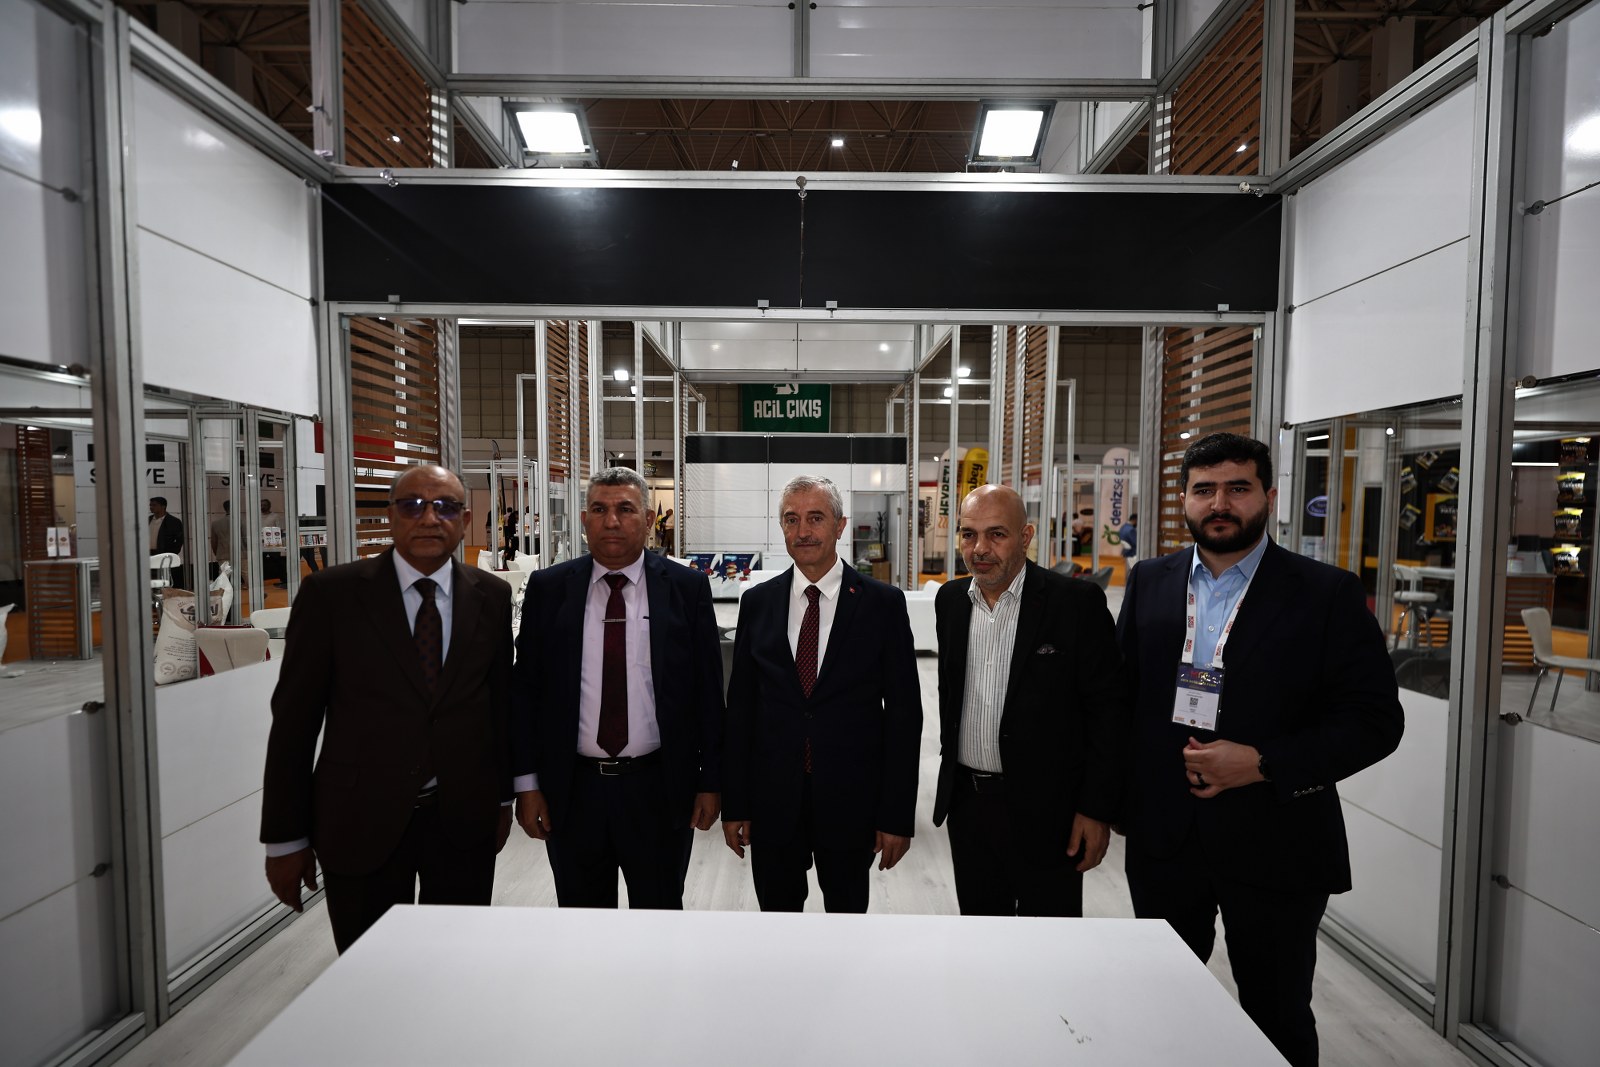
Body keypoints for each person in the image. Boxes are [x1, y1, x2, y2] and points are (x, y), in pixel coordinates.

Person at [1116, 433, 1404, 1067]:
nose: (1220, 503)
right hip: (1166, 837)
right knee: (1161, 1005)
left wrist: (1264, 762)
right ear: (1184, 499)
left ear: (1269, 496)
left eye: (1238, 488)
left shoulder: (1325, 593)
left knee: (1276, 1014)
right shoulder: (1151, 581)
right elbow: (1124, 699)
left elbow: (1376, 721)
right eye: (1204, 490)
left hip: (1277, 839)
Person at [260, 464, 515, 953]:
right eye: (413, 505)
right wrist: (286, 838)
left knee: (455, 965)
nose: (429, 518)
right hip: (359, 819)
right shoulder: (332, 595)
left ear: (464, 521)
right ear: (391, 516)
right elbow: (294, 722)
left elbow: (499, 706)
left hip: (462, 820)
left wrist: (503, 800)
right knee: (368, 970)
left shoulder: (491, 596)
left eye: (445, 507)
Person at [511, 467, 723, 909]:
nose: (611, 521)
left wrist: (711, 782)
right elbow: (526, 693)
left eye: (625, 509)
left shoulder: (686, 589)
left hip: (659, 789)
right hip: (573, 791)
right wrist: (527, 784)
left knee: (660, 918)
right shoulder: (549, 590)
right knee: (583, 923)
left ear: (647, 519)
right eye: (599, 510)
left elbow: (707, 693)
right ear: (584, 519)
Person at [722, 475, 922, 913]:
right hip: (773, 802)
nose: (803, 531)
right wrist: (735, 803)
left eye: (815, 518)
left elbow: (904, 716)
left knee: (847, 924)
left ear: (840, 525)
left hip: (851, 802)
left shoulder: (882, 604)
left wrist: (895, 815)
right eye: (791, 519)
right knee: (777, 923)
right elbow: (740, 712)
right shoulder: (757, 603)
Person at [930, 484, 1124, 916]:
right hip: (969, 807)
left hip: (1049, 812)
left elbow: (1107, 714)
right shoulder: (951, 602)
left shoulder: (1075, 604)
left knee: (1049, 942)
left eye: (996, 534)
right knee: (981, 936)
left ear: (1026, 536)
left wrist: (1095, 809)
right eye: (968, 534)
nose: (980, 548)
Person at [149, 495, 185, 589]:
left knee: (165, 579)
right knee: (150, 579)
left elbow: (180, 540)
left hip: (164, 554)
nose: (151, 507)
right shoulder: (148, 520)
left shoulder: (173, 521)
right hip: (149, 554)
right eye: (150, 505)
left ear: (163, 506)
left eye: (154, 505)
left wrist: (172, 552)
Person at [208, 500, 233, 581]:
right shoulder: (242, 521)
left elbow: (214, 542)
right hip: (242, 554)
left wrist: (218, 553)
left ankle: (222, 589)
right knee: (247, 576)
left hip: (223, 553)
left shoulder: (216, 523)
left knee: (224, 577)